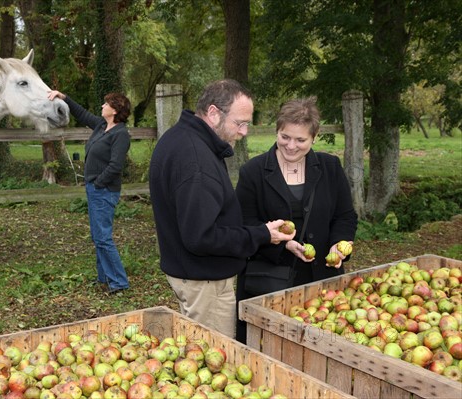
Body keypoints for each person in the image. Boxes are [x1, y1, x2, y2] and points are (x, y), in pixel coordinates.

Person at [148, 79, 295, 338]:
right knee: (213, 358)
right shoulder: (196, 160)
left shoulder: (182, 138)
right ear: (214, 113)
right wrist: (262, 235)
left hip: (193, 276)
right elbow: (201, 237)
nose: (244, 131)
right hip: (205, 285)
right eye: (240, 123)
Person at [235, 96, 358, 342]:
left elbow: (345, 215)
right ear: (277, 132)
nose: (291, 146)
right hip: (271, 282)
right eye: (285, 137)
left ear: (314, 137)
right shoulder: (254, 172)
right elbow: (244, 224)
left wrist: (339, 243)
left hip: (322, 278)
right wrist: (282, 243)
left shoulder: (330, 167)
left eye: (300, 140)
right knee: (270, 345)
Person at [48, 90, 131, 294]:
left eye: (106, 104)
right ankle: (104, 277)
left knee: (103, 237)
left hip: (104, 190)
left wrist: (98, 182)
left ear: (115, 110)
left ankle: (119, 282)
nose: (102, 107)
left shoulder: (121, 134)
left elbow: (115, 166)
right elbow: (82, 114)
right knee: (97, 236)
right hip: (94, 189)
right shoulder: (102, 126)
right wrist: (64, 97)